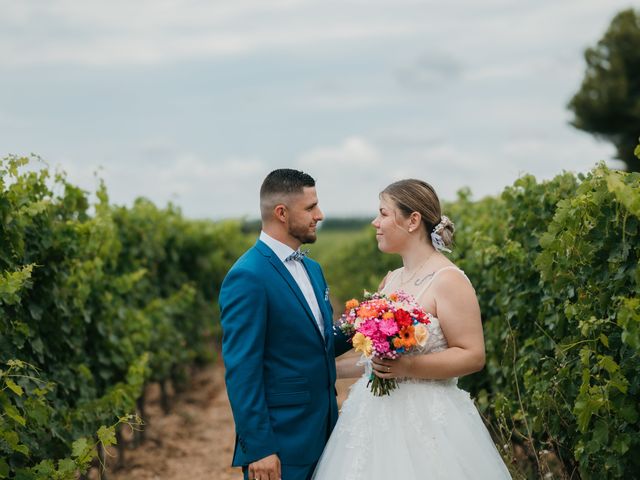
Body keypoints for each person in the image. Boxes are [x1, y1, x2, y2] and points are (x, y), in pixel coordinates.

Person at [312, 179, 512, 479]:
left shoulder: (448, 279)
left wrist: (408, 366)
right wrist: (322, 369)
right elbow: (376, 363)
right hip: (373, 417)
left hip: (431, 422)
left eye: (383, 213)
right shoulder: (390, 280)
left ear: (413, 220)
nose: (375, 222)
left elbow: (472, 355)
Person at [219, 168, 352, 480]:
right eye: (310, 207)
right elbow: (242, 369)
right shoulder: (247, 276)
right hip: (281, 442)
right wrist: (259, 447)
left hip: (327, 431)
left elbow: (319, 343)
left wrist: (370, 318)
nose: (319, 215)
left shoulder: (313, 268)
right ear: (281, 213)